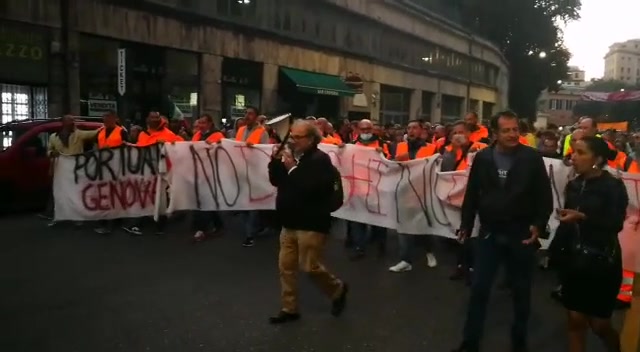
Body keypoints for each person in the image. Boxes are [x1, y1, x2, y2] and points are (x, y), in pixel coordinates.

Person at [453, 111, 553, 352]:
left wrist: (538, 225)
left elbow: (544, 196)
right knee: (479, 289)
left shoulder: (531, 158)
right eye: (506, 130)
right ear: (494, 133)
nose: (512, 134)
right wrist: (466, 225)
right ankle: (470, 343)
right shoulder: (483, 158)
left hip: (520, 234)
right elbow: (472, 194)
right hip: (489, 234)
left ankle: (519, 343)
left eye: (515, 129)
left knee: (521, 292)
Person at [267, 119, 348, 324]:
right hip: (289, 221)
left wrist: (292, 168)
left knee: (309, 267)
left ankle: (337, 288)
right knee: (286, 267)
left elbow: (309, 189)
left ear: (311, 139)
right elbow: (277, 181)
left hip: (311, 223)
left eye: (297, 137)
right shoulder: (293, 156)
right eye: (291, 136)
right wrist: (275, 162)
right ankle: (289, 308)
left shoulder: (320, 160)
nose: (292, 140)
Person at [553, 136, 627, 352]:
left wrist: (583, 217)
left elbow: (615, 224)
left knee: (599, 325)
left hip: (602, 263)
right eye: (573, 152)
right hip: (574, 262)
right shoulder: (574, 185)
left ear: (598, 159)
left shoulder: (613, 186)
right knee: (575, 320)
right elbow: (568, 221)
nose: (573, 157)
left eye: (581, 153)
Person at [388, 120, 438, 272]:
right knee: (403, 227)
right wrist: (396, 160)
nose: (411, 131)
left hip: (423, 193)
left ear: (422, 131)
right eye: (408, 128)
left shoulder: (432, 148)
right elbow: (389, 166)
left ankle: (429, 252)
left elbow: (437, 168)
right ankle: (405, 260)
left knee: (423, 227)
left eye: (414, 128)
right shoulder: (398, 146)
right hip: (403, 192)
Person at [122, 112, 183, 236]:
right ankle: (139, 223)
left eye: (157, 117)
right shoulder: (143, 134)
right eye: (152, 118)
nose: (155, 120)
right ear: (147, 120)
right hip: (145, 171)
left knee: (161, 199)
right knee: (143, 197)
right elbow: (140, 150)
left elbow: (178, 148)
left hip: (162, 172)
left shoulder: (168, 134)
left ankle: (160, 226)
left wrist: (165, 144)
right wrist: (129, 146)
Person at [440, 121, 487, 282]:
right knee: (461, 235)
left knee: (474, 235)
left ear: (468, 133)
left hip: (476, 198)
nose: (458, 135)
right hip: (457, 199)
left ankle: (474, 268)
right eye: (455, 133)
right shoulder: (448, 150)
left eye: (461, 132)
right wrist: (454, 150)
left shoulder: (480, 147)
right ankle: (461, 266)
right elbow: (446, 170)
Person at [347, 119, 389, 260]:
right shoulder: (352, 145)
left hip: (377, 191)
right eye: (363, 129)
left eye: (368, 129)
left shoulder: (382, 144)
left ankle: (381, 245)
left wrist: (383, 154)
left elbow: (391, 163)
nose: (365, 132)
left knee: (379, 222)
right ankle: (360, 248)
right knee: (358, 221)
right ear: (358, 130)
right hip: (358, 191)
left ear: (373, 129)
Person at [234, 106, 269, 247]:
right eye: (246, 113)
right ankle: (256, 227)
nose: (247, 116)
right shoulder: (241, 130)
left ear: (256, 116)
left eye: (250, 114)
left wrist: (253, 149)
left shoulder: (262, 132)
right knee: (242, 204)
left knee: (252, 205)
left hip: (254, 173)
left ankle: (250, 235)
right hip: (241, 172)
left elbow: (264, 153)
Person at [190, 114, 225, 242]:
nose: (200, 125)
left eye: (203, 123)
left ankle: (201, 229)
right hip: (199, 172)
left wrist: (213, 146)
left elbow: (221, 152)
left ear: (210, 124)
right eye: (199, 123)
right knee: (205, 200)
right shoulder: (197, 135)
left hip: (211, 173)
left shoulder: (218, 135)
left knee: (204, 200)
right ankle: (218, 225)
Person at [94, 110, 129, 235]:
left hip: (117, 168)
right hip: (104, 168)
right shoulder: (101, 131)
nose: (105, 121)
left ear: (114, 119)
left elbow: (127, 149)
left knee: (114, 196)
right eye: (104, 118)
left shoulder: (121, 131)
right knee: (105, 196)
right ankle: (109, 221)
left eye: (108, 118)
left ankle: (111, 224)